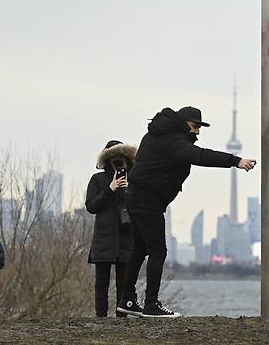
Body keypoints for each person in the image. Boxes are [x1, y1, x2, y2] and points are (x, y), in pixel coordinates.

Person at [117, 106, 256, 318]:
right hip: (147, 200)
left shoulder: (155, 135)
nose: (198, 132)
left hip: (136, 196)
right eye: (195, 126)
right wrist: (235, 161)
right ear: (183, 124)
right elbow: (201, 156)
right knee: (158, 251)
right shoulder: (172, 142)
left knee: (139, 248)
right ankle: (151, 304)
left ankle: (127, 300)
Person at [86, 139, 137, 317]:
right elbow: (91, 207)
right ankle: (101, 318)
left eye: (121, 156)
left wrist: (130, 190)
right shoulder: (98, 179)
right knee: (102, 283)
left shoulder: (133, 179)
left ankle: (121, 317)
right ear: (107, 158)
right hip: (104, 238)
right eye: (113, 156)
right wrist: (110, 189)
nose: (118, 160)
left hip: (126, 238)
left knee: (124, 283)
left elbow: (141, 206)